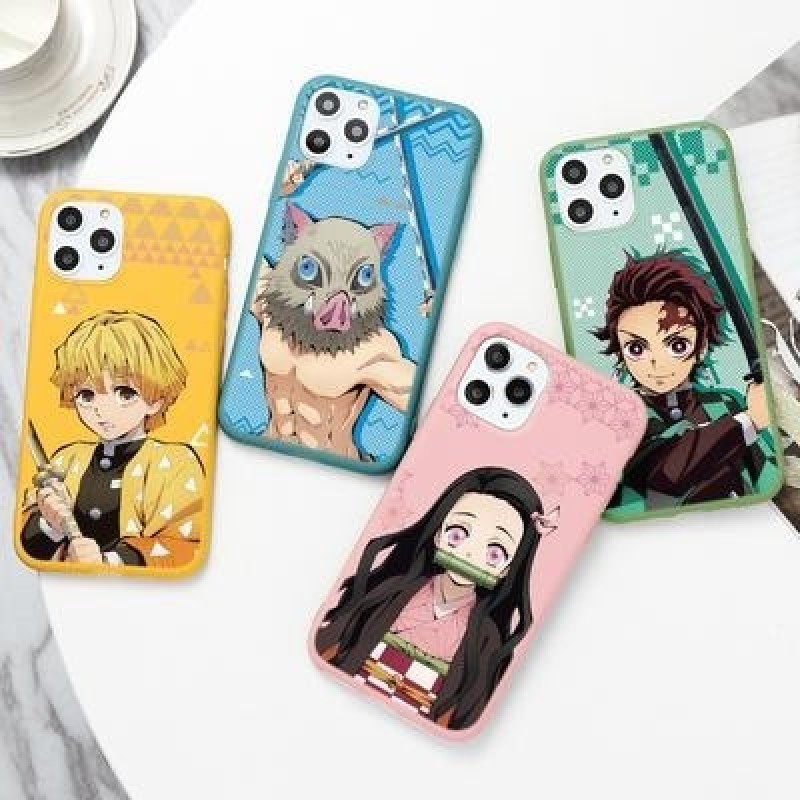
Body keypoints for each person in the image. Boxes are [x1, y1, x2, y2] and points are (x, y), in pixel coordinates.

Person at [315, 466, 557, 730]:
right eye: (458, 534)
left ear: (508, 569)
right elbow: (338, 640)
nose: (469, 555)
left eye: (495, 553)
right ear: (438, 533)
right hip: (339, 699)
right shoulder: (393, 591)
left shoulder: (485, 637)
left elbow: (465, 706)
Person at [594, 250, 777, 509]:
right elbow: (665, 475)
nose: (657, 363)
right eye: (636, 348)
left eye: (677, 345)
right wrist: (749, 422)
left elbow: (766, 473)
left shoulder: (725, 403)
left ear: (701, 347)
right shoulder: (622, 415)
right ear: (621, 353)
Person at [20, 311, 204, 568]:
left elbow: (185, 544)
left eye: (124, 393)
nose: (102, 409)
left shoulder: (175, 464)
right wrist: (51, 525)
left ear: (157, 400)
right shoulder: (66, 460)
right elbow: (29, 547)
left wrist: (109, 561)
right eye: (87, 395)